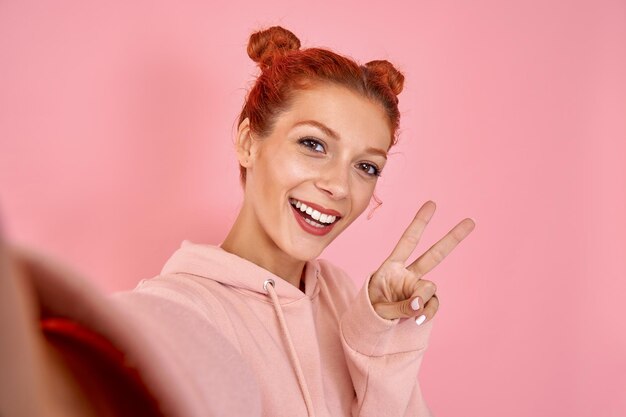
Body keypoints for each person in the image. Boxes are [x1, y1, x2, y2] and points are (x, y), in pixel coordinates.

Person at [0, 26, 475, 417]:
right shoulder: (186, 305)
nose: (340, 187)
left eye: (366, 166)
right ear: (249, 141)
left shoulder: (347, 300)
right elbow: (155, 350)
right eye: (313, 144)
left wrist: (379, 345)